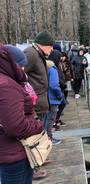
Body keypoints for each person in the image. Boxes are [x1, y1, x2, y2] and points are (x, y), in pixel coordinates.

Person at [0, 45, 44, 184]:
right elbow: (15, 126)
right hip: (14, 154)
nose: (24, 69)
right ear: (12, 64)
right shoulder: (7, 86)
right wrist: (37, 126)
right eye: (21, 65)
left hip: (9, 151)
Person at [24, 31, 54, 179]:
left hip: (40, 101)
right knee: (32, 137)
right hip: (33, 103)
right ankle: (34, 167)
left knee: (39, 133)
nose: (52, 50)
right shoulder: (30, 54)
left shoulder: (38, 54)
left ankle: (40, 158)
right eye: (50, 46)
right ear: (43, 45)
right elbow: (19, 74)